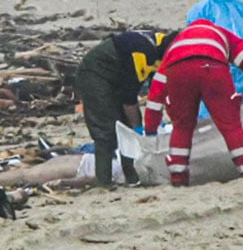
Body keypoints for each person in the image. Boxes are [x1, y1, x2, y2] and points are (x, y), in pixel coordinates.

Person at [142, 19, 243, 186]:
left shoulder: (176, 45)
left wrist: (151, 128)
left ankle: (178, 175)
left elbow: (156, 90)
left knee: (182, 126)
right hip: (212, 67)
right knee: (230, 124)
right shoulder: (223, 34)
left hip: (178, 71)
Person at [75, 29, 176, 187]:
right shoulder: (142, 54)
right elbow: (129, 99)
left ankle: (132, 177)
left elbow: (158, 90)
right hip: (96, 74)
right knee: (106, 131)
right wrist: (137, 128)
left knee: (126, 130)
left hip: (118, 76)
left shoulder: (160, 47)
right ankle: (104, 182)